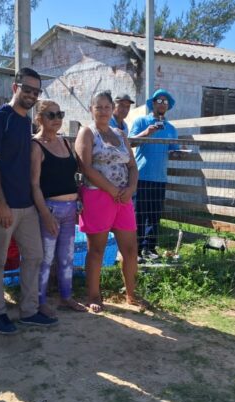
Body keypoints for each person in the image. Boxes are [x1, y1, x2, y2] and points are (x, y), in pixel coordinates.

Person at [0, 67, 58, 334]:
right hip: (2, 205)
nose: (31, 95)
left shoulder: (26, 121)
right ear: (15, 88)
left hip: (26, 205)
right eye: (27, 89)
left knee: (34, 256)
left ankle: (28, 311)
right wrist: (0, 203)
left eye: (36, 91)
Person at [75, 91, 149, 312]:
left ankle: (131, 295)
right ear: (91, 109)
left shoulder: (120, 134)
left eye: (107, 107)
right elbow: (85, 167)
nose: (103, 111)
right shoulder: (87, 133)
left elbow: (132, 166)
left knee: (130, 248)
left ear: (112, 109)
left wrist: (131, 188)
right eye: (99, 107)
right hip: (98, 196)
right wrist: (112, 189)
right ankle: (94, 296)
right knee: (96, 249)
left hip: (123, 198)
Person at [30, 100, 87, 314]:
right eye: (51, 115)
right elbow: (34, 184)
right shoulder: (35, 145)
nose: (57, 119)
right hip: (50, 209)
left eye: (59, 114)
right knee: (45, 258)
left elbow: (75, 174)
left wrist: (79, 199)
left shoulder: (64, 142)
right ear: (39, 118)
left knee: (67, 256)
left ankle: (66, 297)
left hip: (71, 208)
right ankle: (39, 301)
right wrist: (45, 214)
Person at [130, 89, 179, 260]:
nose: (162, 104)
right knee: (138, 214)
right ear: (153, 103)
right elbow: (130, 142)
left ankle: (149, 249)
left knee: (154, 215)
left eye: (166, 101)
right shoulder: (141, 121)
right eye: (159, 100)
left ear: (168, 107)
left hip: (160, 177)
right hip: (141, 176)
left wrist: (178, 153)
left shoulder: (171, 128)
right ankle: (134, 250)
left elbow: (174, 150)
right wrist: (147, 133)